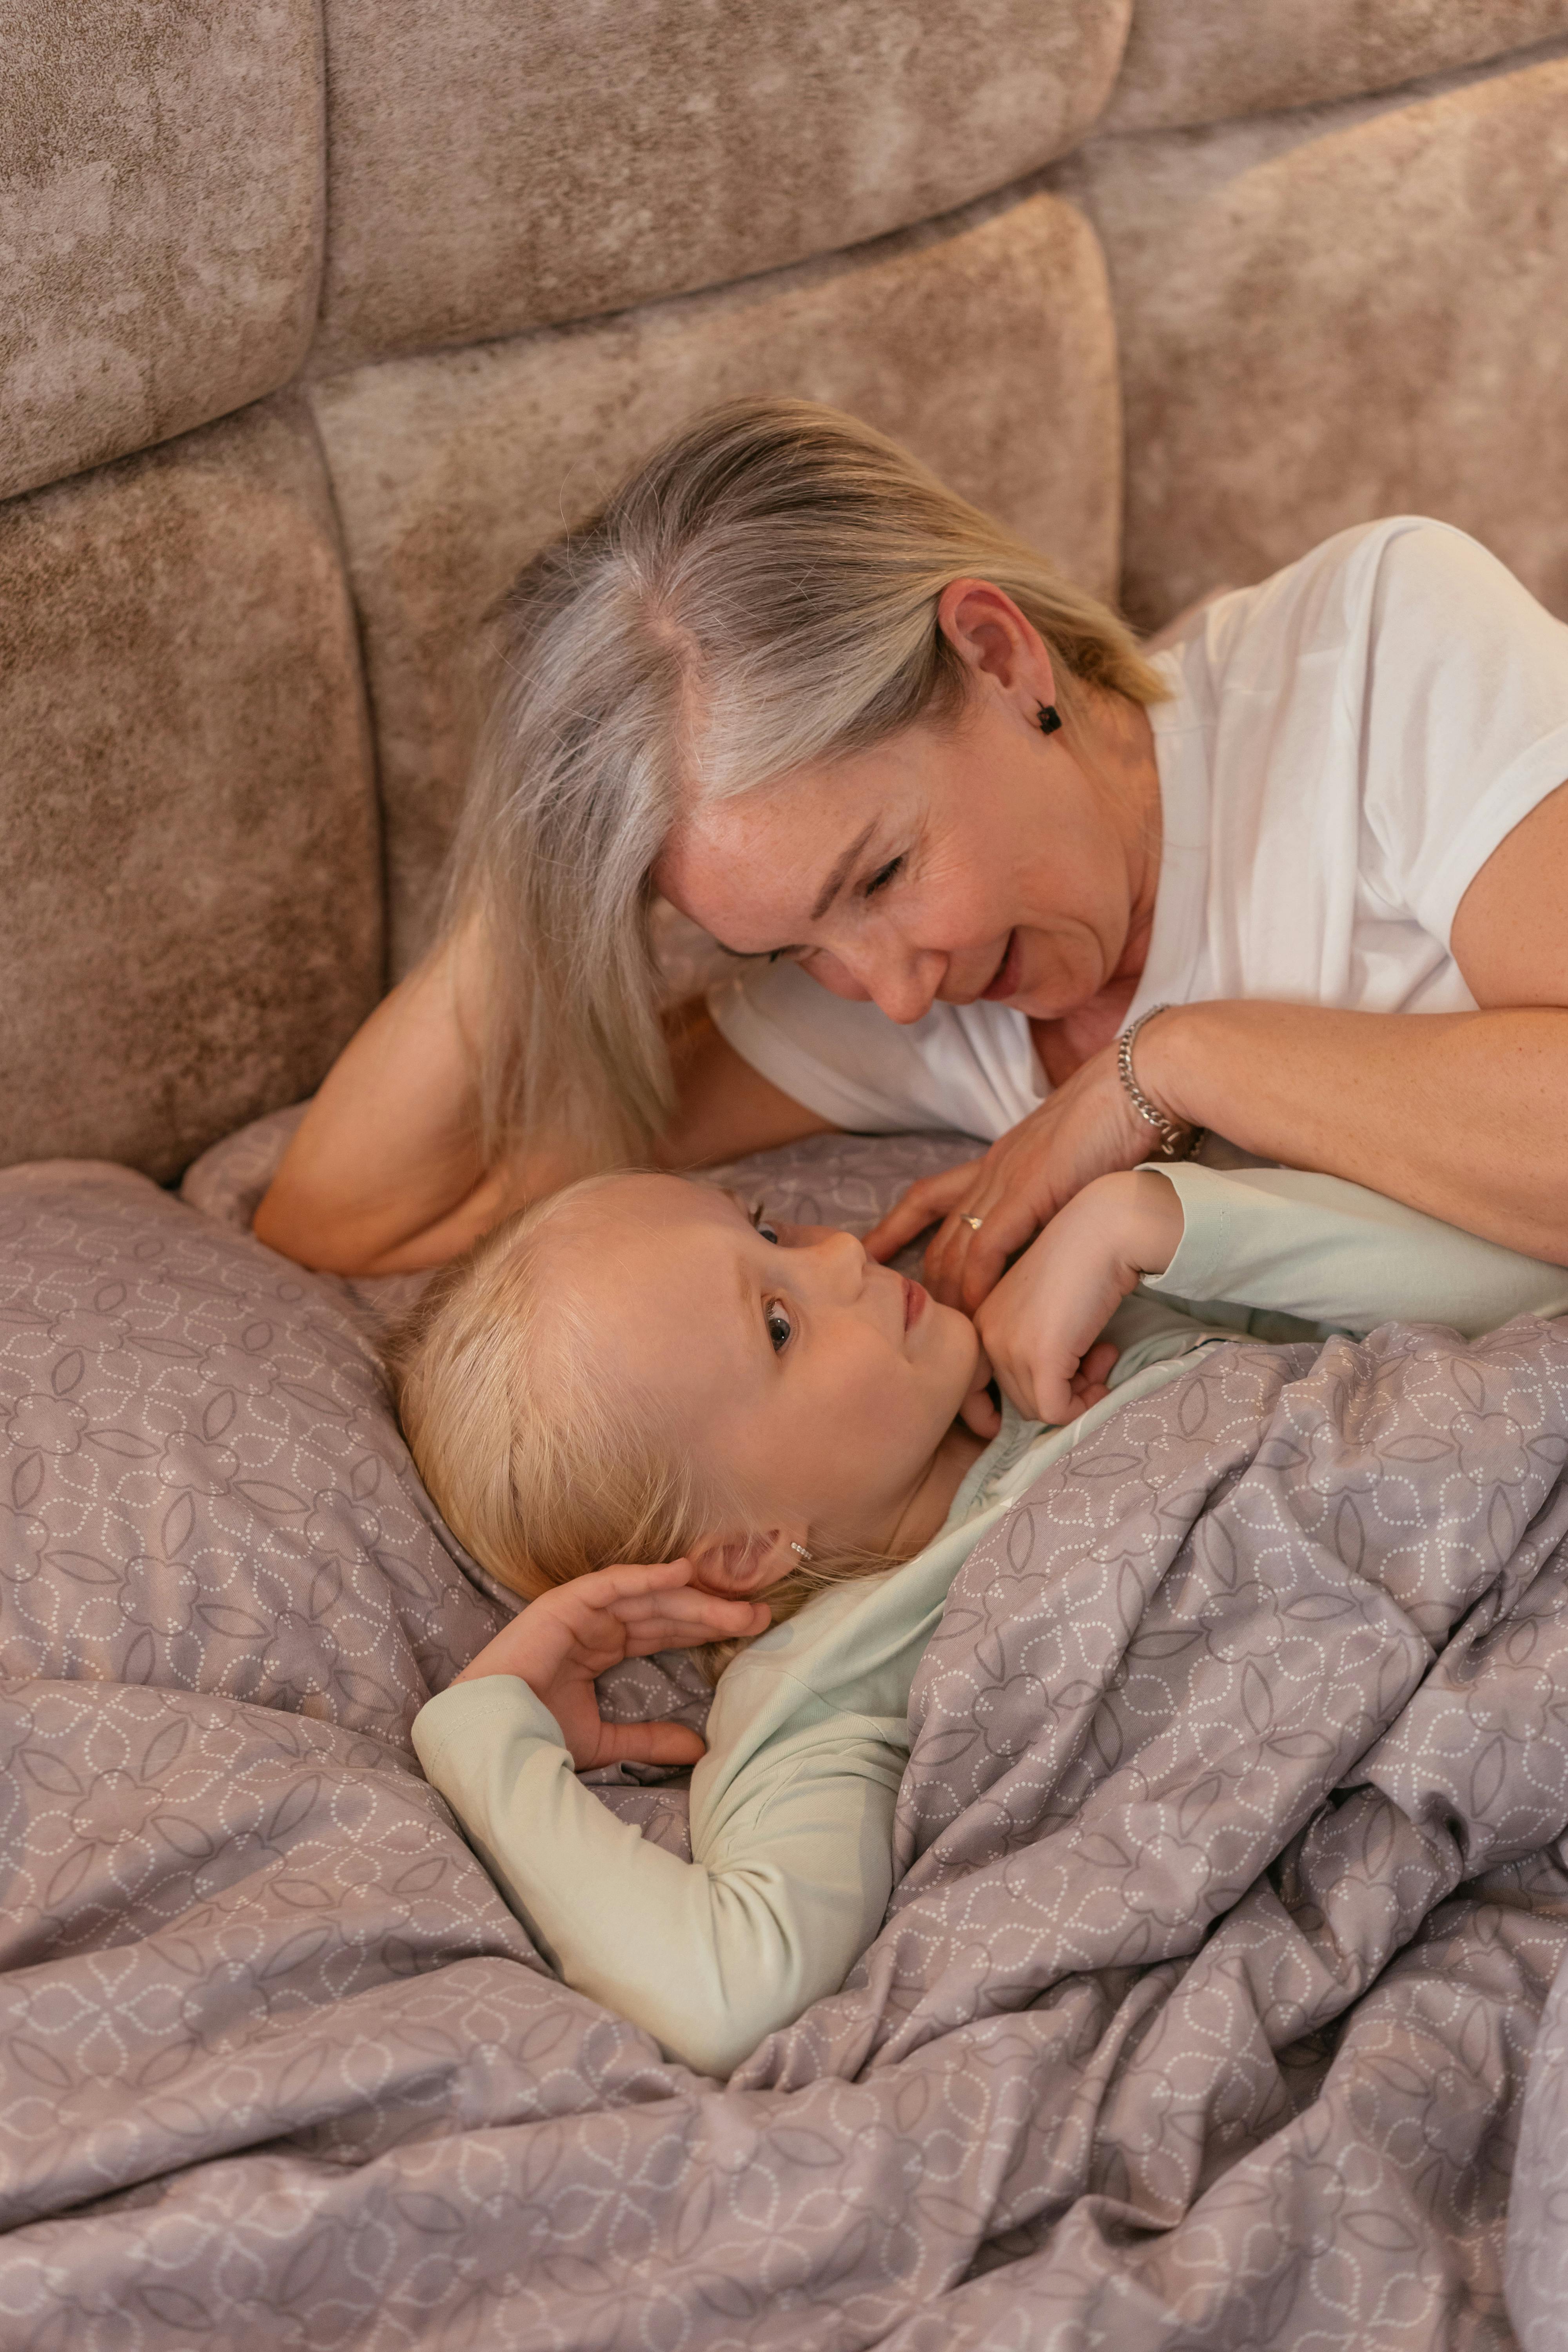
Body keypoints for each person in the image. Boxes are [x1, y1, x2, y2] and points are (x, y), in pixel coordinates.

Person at [252, 396, 1568, 1430]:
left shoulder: (1376, 652)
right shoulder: (908, 1007)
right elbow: (353, 1221)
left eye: (878, 876)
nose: (890, 991)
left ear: (997, 656)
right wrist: (547, 846)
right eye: (790, 949)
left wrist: (1167, 1066)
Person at [396, 1153, 1568, 2078]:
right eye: (778, 1324)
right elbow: (729, 1996)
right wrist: (485, 1737)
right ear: (747, 1548)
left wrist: (1152, 1221)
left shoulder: (1082, 1335)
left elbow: (1528, 1286)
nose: (844, 1252)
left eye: (768, 1230)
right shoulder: (819, 1685)